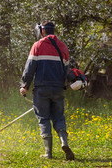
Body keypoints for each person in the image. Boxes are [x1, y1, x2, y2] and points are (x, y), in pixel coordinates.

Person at [20, 20, 75, 160]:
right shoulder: (63, 47)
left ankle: (48, 153)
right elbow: (66, 70)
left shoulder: (37, 45)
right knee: (59, 117)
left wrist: (24, 86)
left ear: (42, 31)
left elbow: (29, 69)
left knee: (44, 119)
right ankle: (64, 142)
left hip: (42, 89)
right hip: (57, 89)